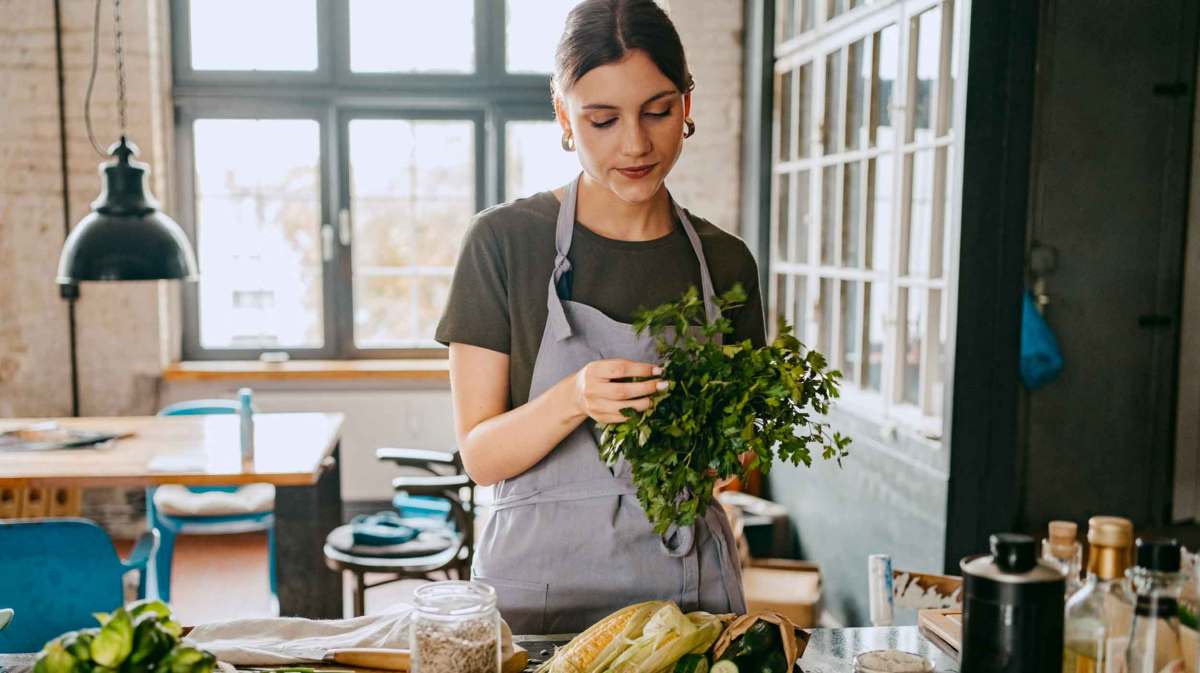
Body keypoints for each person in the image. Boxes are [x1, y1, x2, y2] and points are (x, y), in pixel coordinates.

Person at [435, 0, 766, 635]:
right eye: (603, 119)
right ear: (564, 117)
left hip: (686, 592)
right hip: (539, 596)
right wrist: (575, 398)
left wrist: (720, 446)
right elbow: (480, 457)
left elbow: (737, 454)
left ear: (687, 105)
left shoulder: (725, 262)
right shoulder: (503, 243)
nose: (635, 143)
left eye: (657, 111)